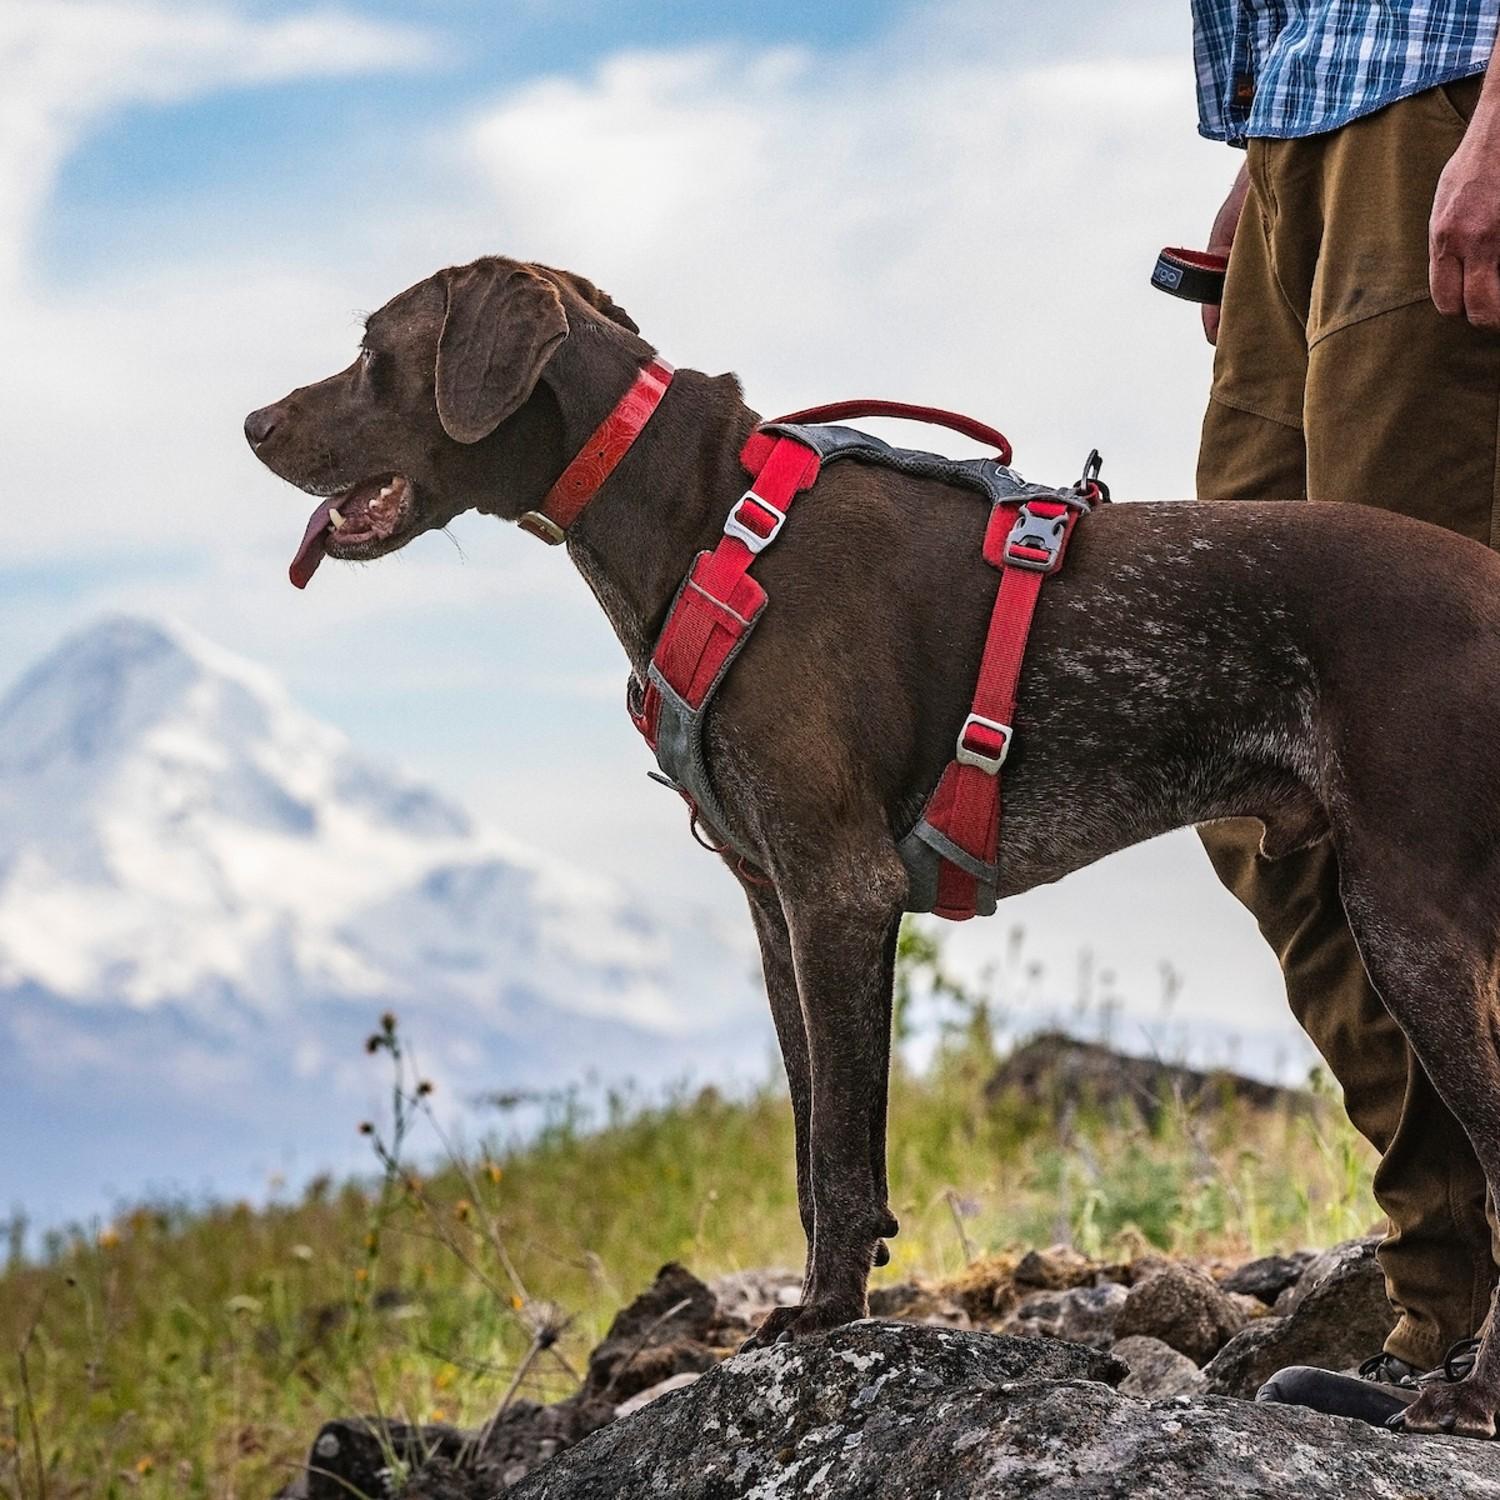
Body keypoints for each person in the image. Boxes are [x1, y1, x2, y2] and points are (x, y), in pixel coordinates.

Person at [1188, 0, 1500, 1427]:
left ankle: (1464, 1323)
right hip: (1308, 137)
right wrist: (1267, 151)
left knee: (1425, 780)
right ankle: (1456, 1299)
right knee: (1239, 761)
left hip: (1446, 102)